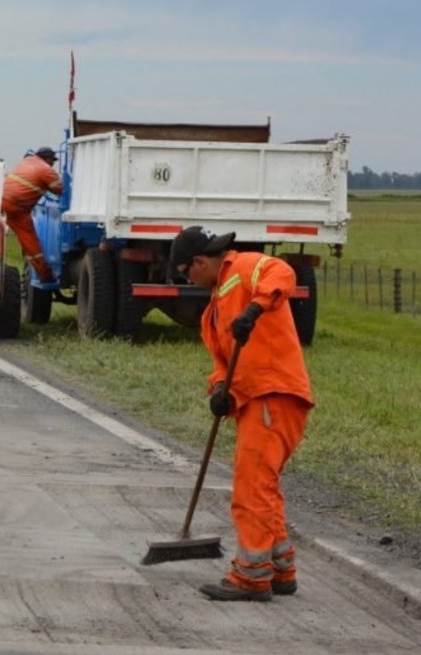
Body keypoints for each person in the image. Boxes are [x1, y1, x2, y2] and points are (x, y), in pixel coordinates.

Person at [169, 226, 314, 602]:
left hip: (273, 394)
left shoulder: (245, 266)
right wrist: (220, 390)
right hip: (254, 400)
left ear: (199, 262)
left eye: (186, 273)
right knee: (264, 486)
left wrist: (255, 308)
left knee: (251, 489)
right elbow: (223, 364)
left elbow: (283, 272)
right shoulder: (213, 312)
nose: (188, 281)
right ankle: (280, 569)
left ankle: (250, 576)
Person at [1, 146, 63, 283]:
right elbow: (61, 189)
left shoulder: (27, 161)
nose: (53, 164)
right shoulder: (46, 170)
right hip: (17, 208)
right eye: (52, 161)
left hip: (1, 201)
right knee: (31, 243)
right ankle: (45, 275)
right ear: (47, 159)